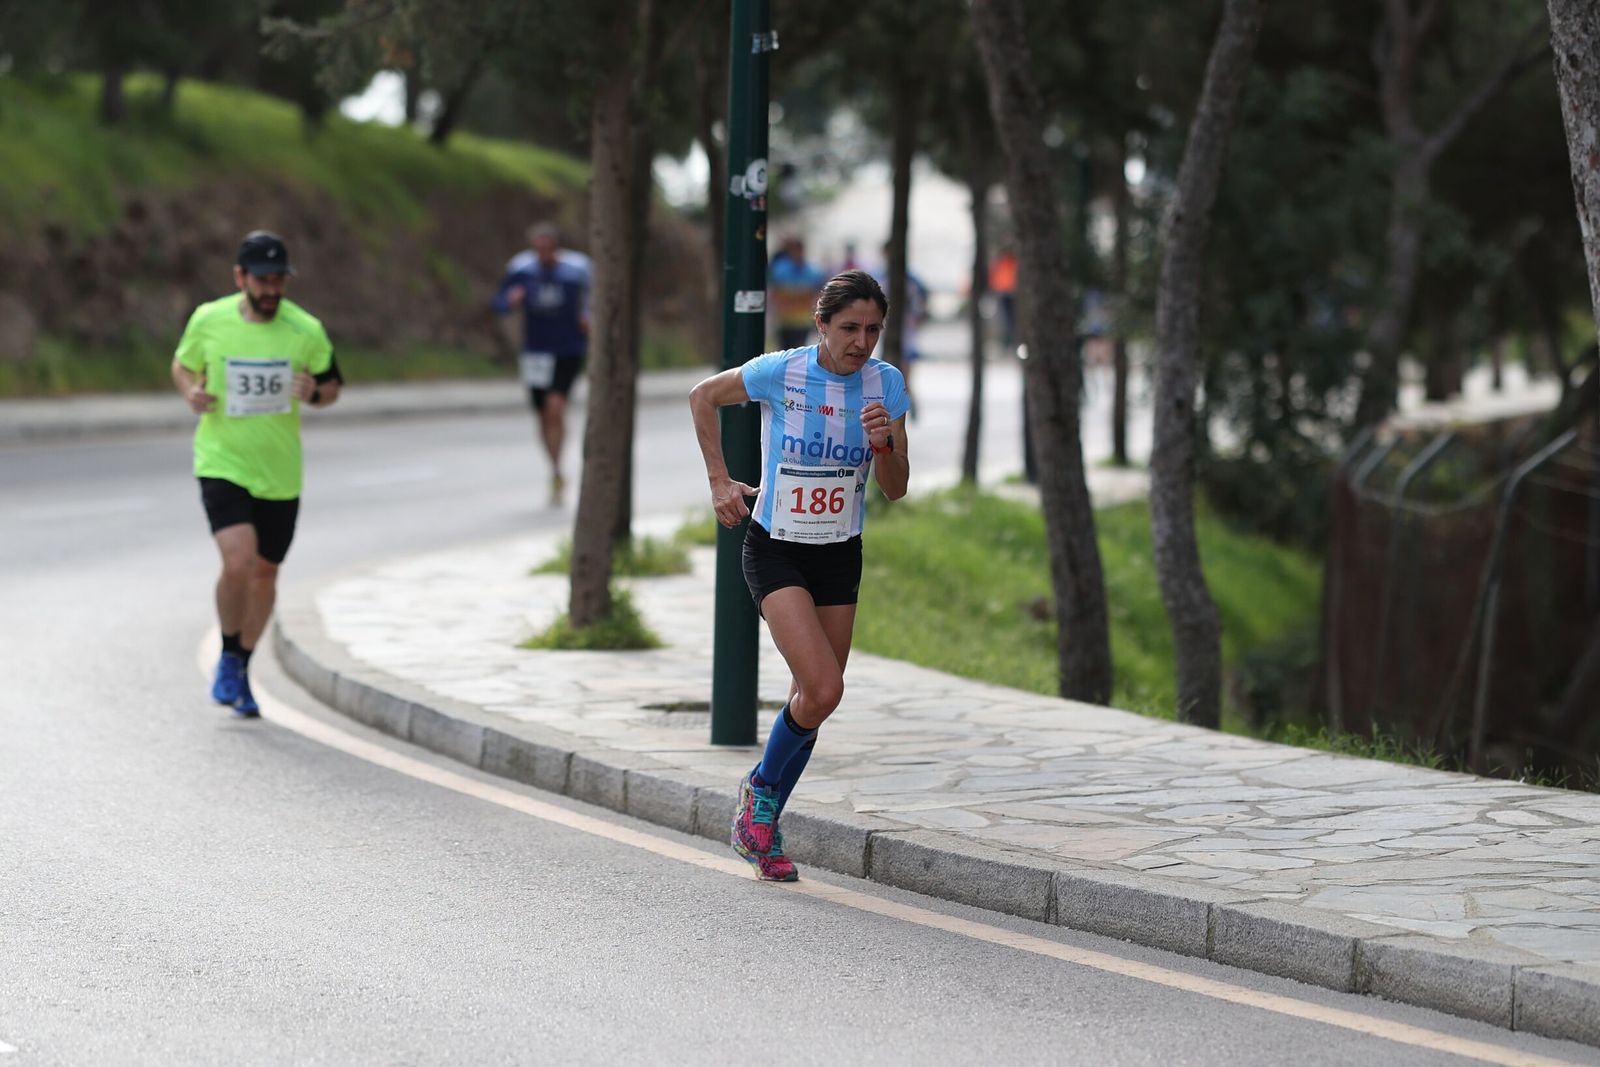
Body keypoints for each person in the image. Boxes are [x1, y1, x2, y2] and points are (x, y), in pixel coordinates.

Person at [688, 270, 910, 881]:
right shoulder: (781, 372)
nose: (861, 342)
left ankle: (761, 828)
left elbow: (896, 489)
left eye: (872, 330)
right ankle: (759, 797)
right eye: (848, 329)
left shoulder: (885, 386)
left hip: (839, 552)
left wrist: (885, 444)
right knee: (826, 688)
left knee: (814, 697)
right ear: (821, 324)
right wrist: (718, 480)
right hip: (776, 547)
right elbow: (702, 396)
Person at [171, 231, 342, 717]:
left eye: (279, 280)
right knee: (239, 562)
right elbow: (182, 367)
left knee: (267, 571)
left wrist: (312, 393)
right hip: (222, 460)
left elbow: (333, 388)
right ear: (240, 277)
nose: (272, 290)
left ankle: (241, 664)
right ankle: (228, 654)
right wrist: (190, 393)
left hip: (280, 471)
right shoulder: (210, 319)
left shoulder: (304, 329)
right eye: (263, 280)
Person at [493, 222, 592, 505]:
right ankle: (556, 469)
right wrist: (511, 301)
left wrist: (588, 318)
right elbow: (499, 303)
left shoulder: (576, 271)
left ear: (556, 247)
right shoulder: (522, 271)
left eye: (547, 248)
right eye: (538, 248)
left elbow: (593, 300)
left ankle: (558, 463)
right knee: (543, 415)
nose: (542, 254)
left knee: (556, 406)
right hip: (535, 352)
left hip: (567, 349)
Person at [768, 235, 826, 350]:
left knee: (798, 350)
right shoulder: (780, 269)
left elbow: (816, 293)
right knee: (784, 350)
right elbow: (775, 293)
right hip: (784, 320)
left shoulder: (811, 270)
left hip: (801, 320)